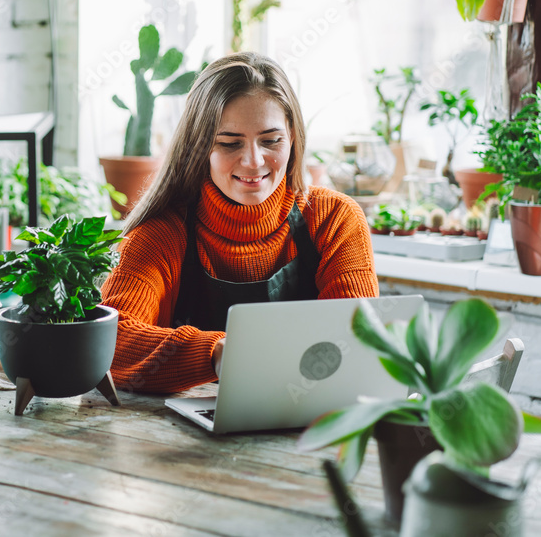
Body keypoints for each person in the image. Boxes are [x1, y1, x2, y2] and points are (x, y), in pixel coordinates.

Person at [101, 52, 378, 393]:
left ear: (292, 136)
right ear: (198, 146)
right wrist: (219, 354)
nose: (253, 161)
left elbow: (356, 340)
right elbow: (110, 341)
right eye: (229, 143)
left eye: (271, 140)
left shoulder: (335, 220)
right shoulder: (161, 234)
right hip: (184, 438)